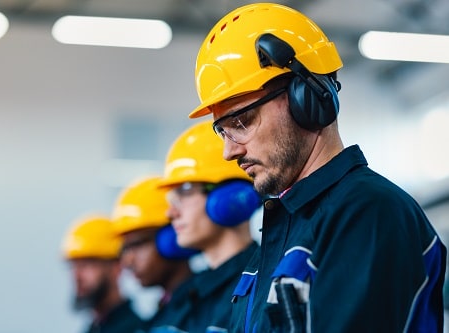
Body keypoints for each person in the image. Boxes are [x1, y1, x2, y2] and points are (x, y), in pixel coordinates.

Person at [187, 3, 447, 333]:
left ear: (306, 97)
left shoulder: (367, 213)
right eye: (222, 130)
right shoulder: (285, 226)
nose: (228, 151)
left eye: (241, 121)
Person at [154, 120, 261, 332]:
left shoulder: (264, 285)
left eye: (184, 191)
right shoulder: (187, 293)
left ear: (231, 196)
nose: (170, 213)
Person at [112, 176, 196, 331]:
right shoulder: (164, 310)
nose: (127, 262)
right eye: (126, 249)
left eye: (137, 244)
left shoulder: (203, 307)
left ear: (172, 237)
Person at [61, 215, 144, 333]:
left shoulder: (136, 329)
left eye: (86, 264)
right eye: (73, 266)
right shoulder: (92, 329)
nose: (77, 276)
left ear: (117, 267)